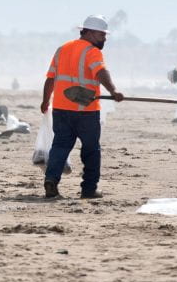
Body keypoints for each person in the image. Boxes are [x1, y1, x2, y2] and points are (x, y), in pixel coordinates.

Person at [40, 15, 123, 199]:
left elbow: (50, 78)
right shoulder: (92, 51)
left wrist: (45, 101)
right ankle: (89, 189)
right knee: (91, 150)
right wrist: (114, 90)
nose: (105, 39)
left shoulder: (62, 49)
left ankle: (51, 180)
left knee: (60, 146)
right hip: (86, 111)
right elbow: (101, 72)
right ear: (90, 33)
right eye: (102, 35)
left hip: (61, 108)